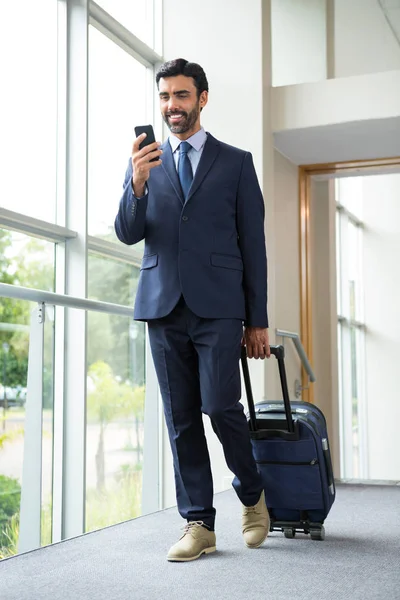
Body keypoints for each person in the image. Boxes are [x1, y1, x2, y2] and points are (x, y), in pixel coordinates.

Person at [115, 58, 270, 563]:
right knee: (181, 418)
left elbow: (254, 245)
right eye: (164, 96)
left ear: (202, 98)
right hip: (162, 306)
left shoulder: (236, 162)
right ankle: (199, 522)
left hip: (220, 307)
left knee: (221, 405)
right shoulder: (145, 160)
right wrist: (136, 185)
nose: (171, 106)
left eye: (181, 96)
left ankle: (251, 491)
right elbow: (127, 231)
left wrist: (258, 318)